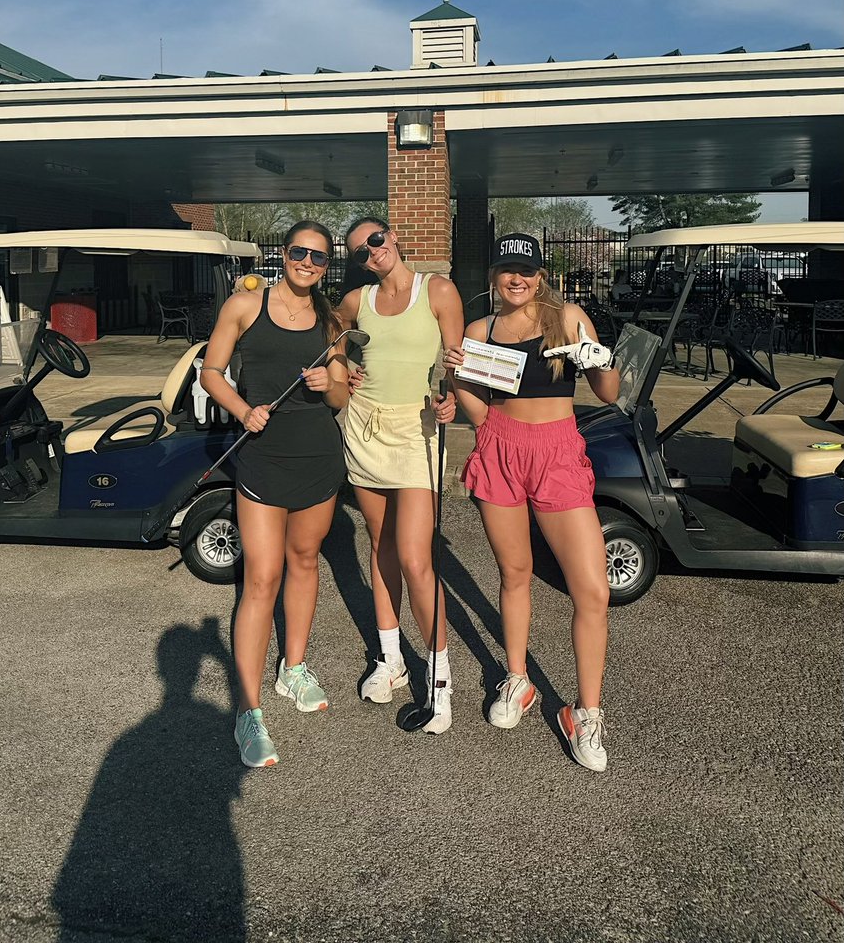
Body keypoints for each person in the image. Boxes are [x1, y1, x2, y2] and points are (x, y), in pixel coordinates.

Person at [445, 233, 620, 771]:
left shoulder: (568, 319)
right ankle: (517, 680)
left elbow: (609, 393)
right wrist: (458, 383)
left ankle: (585, 713)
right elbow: (476, 404)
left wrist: (596, 355)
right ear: (494, 276)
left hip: (558, 454)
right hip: (501, 448)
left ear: (540, 275)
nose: (515, 279)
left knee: (592, 590)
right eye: (506, 270)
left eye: (525, 270)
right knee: (514, 572)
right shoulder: (481, 330)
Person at [201, 221, 350, 768]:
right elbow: (211, 374)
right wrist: (242, 410)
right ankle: (248, 711)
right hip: (262, 457)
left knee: (305, 560)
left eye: (318, 257)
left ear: (326, 266)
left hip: (317, 457)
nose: (307, 262)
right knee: (261, 577)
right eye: (298, 252)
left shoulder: (330, 321)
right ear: (282, 254)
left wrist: (327, 384)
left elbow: (339, 398)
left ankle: (293, 668)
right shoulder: (245, 307)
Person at [337, 217, 463, 734]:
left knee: (415, 557)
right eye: (359, 252)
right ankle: (389, 661)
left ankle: (439, 679)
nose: (371, 253)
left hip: (417, 430)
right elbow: (335, 345)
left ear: (394, 237)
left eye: (375, 240)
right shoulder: (355, 301)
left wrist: (452, 394)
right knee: (379, 545)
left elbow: (457, 362)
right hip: (365, 427)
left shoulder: (438, 290)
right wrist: (347, 366)